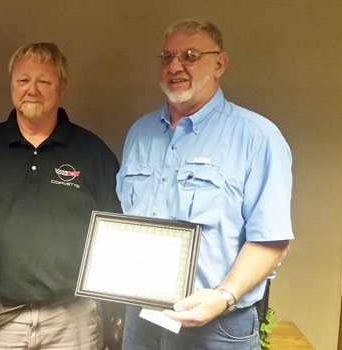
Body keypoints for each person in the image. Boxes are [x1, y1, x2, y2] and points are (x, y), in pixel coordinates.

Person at [117, 18, 293, 349]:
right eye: (167, 57)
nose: (176, 66)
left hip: (218, 328)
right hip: (142, 322)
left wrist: (223, 296)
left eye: (190, 56)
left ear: (219, 63)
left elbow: (272, 240)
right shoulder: (139, 134)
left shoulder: (257, 137)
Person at [0, 42, 122, 350]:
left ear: (62, 87)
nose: (32, 89)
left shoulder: (93, 153)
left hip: (72, 320)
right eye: (23, 80)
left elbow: (113, 235)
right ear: (11, 85)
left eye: (44, 81)